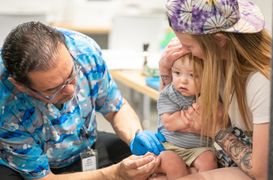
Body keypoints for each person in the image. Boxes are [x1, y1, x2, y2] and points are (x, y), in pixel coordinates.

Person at [0, 21, 165, 180]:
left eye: (71, 75)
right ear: (21, 86)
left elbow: (116, 108)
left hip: (83, 146)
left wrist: (136, 137)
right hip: (25, 166)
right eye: (53, 89)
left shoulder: (84, 50)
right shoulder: (5, 103)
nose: (71, 90)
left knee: (145, 163)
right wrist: (115, 174)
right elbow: (44, 178)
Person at [159, 0, 271, 179]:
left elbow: (261, 171)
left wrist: (217, 130)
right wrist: (165, 69)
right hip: (226, 159)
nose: (184, 51)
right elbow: (171, 106)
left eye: (188, 46)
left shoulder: (261, 81)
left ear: (219, 41)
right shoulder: (216, 65)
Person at [156, 54, 217, 179]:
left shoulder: (209, 95)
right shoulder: (169, 94)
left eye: (192, 75)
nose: (183, 80)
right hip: (171, 146)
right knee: (172, 163)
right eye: (177, 73)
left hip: (199, 148)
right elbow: (168, 123)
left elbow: (213, 122)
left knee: (209, 160)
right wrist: (188, 119)